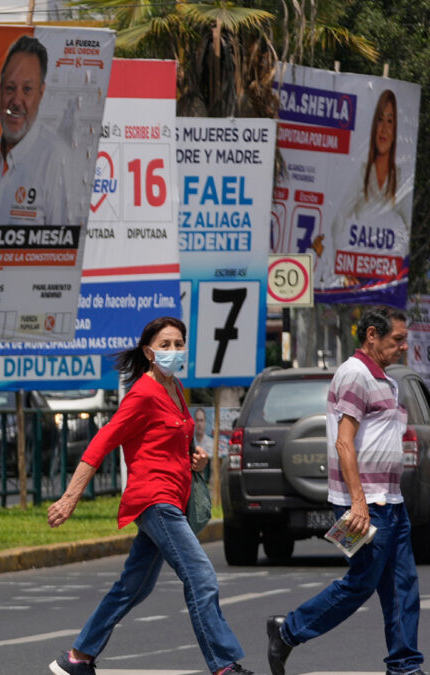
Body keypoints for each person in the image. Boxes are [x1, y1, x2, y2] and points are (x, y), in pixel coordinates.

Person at [47, 317, 251, 675]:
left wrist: (195, 459)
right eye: (165, 345)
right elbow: (102, 442)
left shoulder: (176, 389)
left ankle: (78, 658)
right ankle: (223, 666)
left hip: (173, 498)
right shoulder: (142, 393)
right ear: (149, 352)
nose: (174, 350)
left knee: (133, 587)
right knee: (201, 577)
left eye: (179, 344)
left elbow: (170, 443)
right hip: (155, 501)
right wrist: (69, 497)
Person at [267, 306, 423, 675]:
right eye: (397, 339)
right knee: (360, 583)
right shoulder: (354, 375)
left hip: (390, 501)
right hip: (365, 505)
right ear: (372, 335)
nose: (404, 346)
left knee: (403, 586)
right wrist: (358, 503)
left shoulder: (386, 380)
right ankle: (288, 631)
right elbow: (344, 442)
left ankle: (404, 665)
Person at [0, 35, 75, 226]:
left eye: (27, 89)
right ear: (0, 90)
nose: (16, 101)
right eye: (10, 88)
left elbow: (63, 243)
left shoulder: (55, 159)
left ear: (41, 93)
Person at [315, 90, 407, 289]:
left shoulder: (401, 178)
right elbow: (338, 219)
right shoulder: (361, 173)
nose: (384, 128)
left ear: (395, 130)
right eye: (380, 120)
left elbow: (407, 228)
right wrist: (343, 267)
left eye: (390, 121)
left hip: (385, 275)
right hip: (357, 269)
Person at [194, 407, 215, 483]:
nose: (199, 424)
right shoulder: (190, 442)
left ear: (205, 422)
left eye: (201, 420)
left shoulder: (211, 443)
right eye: (197, 420)